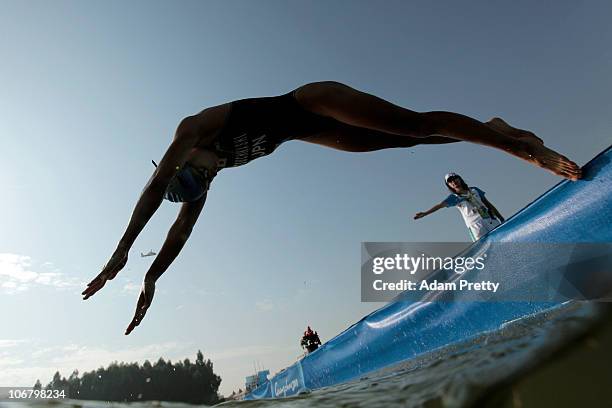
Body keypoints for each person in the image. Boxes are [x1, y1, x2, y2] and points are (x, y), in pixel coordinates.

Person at [81, 81, 581, 334]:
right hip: (310, 132)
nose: (210, 176)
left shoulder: (193, 130)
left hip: (312, 103)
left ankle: (521, 148)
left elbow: (152, 190)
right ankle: (495, 128)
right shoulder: (206, 176)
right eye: (204, 181)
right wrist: (151, 278)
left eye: (199, 172)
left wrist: (121, 251)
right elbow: (179, 233)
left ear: (179, 161)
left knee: (409, 124)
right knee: (403, 143)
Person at [414, 173, 505, 241]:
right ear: (449, 185)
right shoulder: (454, 198)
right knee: (485, 248)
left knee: (502, 239)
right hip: (475, 225)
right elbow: (440, 205)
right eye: (450, 181)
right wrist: (425, 213)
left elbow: (488, 204)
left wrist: (500, 217)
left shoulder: (474, 190)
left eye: (455, 179)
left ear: (460, 179)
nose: (454, 182)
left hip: (489, 219)